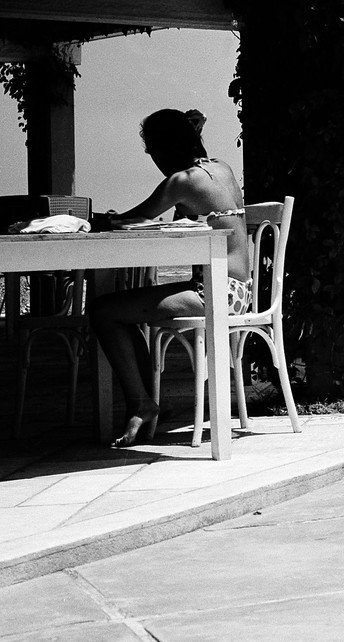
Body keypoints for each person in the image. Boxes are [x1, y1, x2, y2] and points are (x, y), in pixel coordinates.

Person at [88, 109, 250, 448]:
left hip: (214, 294)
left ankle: (142, 403)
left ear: (163, 149)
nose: (154, 160)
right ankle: (143, 401)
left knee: (104, 311)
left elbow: (134, 217)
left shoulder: (182, 181)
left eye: (152, 152)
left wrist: (98, 220)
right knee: (124, 311)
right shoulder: (221, 167)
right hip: (239, 290)